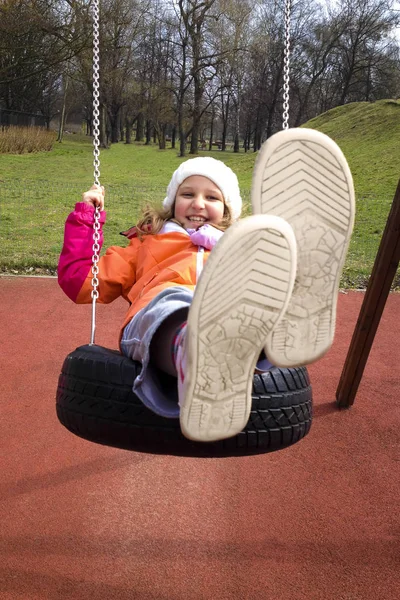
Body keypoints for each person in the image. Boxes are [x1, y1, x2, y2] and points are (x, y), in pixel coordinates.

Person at [58, 129, 355, 443]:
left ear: (227, 211)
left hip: (232, 316)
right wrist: (87, 217)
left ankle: (290, 313)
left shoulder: (239, 246)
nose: (198, 204)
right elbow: (81, 283)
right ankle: (196, 351)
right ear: (172, 203)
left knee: (254, 300)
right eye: (187, 194)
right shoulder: (147, 245)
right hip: (160, 320)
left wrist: (238, 250)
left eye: (212, 197)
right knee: (173, 302)